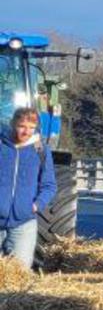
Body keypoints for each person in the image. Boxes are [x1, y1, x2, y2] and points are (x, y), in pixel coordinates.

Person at [0, 108, 57, 272]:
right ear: (13, 124)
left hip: (23, 223)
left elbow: (49, 185)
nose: (26, 131)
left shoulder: (40, 150)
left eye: (31, 127)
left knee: (19, 273)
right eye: (22, 126)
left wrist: (36, 205)